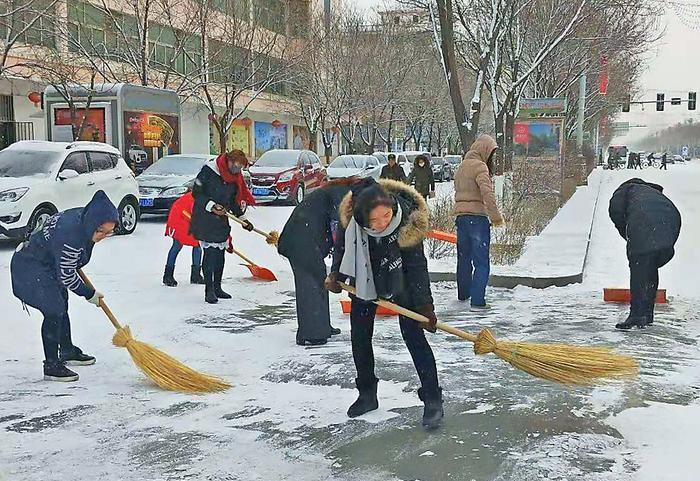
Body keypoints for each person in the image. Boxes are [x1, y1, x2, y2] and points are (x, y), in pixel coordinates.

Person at [325, 178, 444, 430]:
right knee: (360, 336)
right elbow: (342, 249)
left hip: (401, 279)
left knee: (413, 336)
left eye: (386, 216)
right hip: (365, 279)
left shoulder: (406, 225)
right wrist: (336, 275)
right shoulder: (354, 226)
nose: (381, 224)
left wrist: (425, 306)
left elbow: (417, 267)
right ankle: (367, 394)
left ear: (392, 208)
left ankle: (433, 398)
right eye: (374, 221)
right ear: (362, 218)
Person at [10, 190, 118, 382]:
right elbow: (67, 275)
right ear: (91, 223)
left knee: (62, 302)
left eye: (108, 232)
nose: (102, 236)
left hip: (47, 263)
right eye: (100, 230)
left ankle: (66, 350)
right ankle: (51, 366)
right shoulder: (71, 236)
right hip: (29, 266)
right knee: (54, 309)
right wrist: (88, 293)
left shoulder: (82, 218)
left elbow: (67, 264)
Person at [277, 179, 361, 346]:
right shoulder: (342, 195)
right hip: (301, 241)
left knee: (320, 280)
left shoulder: (338, 191)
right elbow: (339, 227)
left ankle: (322, 326)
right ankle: (311, 333)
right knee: (311, 283)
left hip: (305, 239)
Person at [608, 178, 681, 329]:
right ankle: (647, 314)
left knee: (639, 270)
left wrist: (628, 236)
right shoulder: (652, 194)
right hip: (669, 225)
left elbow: (615, 212)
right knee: (649, 268)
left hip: (646, 225)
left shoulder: (626, 190)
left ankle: (637, 316)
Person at [190, 150, 255, 304]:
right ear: (229, 161)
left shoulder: (233, 177)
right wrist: (211, 205)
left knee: (220, 255)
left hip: (221, 220)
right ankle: (209, 290)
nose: (237, 170)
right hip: (205, 217)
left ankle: (218, 287)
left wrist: (242, 219)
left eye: (240, 168)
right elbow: (197, 193)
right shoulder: (209, 171)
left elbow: (232, 200)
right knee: (210, 254)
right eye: (236, 166)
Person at [453, 134, 505, 309]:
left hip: (461, 219)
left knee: (463, 259)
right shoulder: (480, 167)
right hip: (478, 219)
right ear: (485, 151)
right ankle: (478, 301)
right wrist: (496, 217)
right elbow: (487, 194)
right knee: (481, 262)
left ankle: (463, 294)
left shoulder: (461, 167)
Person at [163, 192, 204, 287]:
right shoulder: (198, 198)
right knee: (177, 245)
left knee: (197, 245)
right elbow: (195, 213)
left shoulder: (201, 196)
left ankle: (196, 275)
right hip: (178, 219)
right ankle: (168, 276)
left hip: (188, 218)